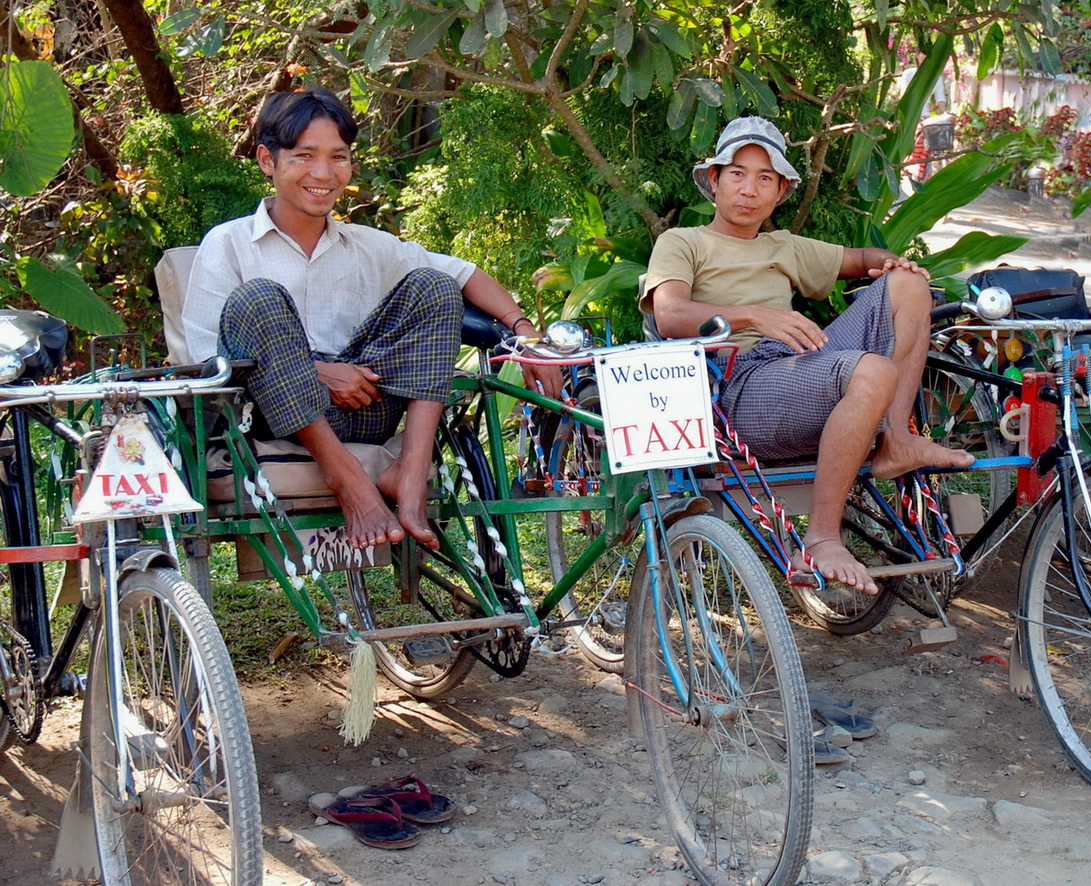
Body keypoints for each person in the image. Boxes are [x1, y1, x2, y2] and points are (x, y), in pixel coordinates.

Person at [184, 89, 559, 550]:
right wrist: (317, 371)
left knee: (434, 286)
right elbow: (204, 359)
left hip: (363, 406)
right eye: (305, 156)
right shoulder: (228, 243)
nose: (323, 173)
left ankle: (410, 474)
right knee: (258, 299)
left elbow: (464, 274)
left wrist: (525, 334)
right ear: (267, 160)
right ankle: (352, 483)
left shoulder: (370, 245)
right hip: (267, 414)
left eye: (337, 157)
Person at [642, 116, 973, 595]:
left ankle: (895, 438)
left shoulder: (783, 246)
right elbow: (670, 314)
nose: (749, 189)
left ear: (781, 191)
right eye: (737, 174)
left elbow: (856, 259)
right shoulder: (684, 241)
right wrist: (754, 316)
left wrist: (891, 264)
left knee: (910, 284)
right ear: (713, 181)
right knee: (873, 370)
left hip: (794, 364)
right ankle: (820, 538)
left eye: (765, 179)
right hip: (735, 389)